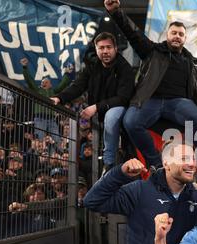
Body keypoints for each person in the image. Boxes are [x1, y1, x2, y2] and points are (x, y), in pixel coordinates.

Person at [104, 0, 197, 170]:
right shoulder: (152, 51)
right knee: (131, 122)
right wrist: (116, 12)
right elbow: (133, 33)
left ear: (185, 38)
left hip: (179, 102)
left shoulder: (194, 63)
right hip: (150, 100)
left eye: (181, 34)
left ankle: (187, 159)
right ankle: (156, 162)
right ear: (167, 35)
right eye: (174, 32)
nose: (177, 36)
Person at [51, 32, 135, 173]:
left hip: (122, 108)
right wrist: (59, 98)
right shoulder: (92, 66)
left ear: (115, 48)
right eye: (101, 48)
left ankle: (108, 165)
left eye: (108, 47)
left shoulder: (125, 68)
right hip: (101, 112)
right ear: (96, 50)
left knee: (111, 116)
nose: (105, 51)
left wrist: (96, 107)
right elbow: (78, 86)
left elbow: (123, 97)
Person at [20, 57, 73, 144]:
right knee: (40, 140)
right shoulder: (37, 90)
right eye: (42, 82)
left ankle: (59, 155)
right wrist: (25, 68)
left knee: (57, 140)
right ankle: (40, 156)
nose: (43, 83)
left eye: (46, 82)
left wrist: (67, 73)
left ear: (50, 85)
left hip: (51, 119)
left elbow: (63, 85)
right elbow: (29, 80)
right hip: (40, 118)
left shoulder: (53, 92)